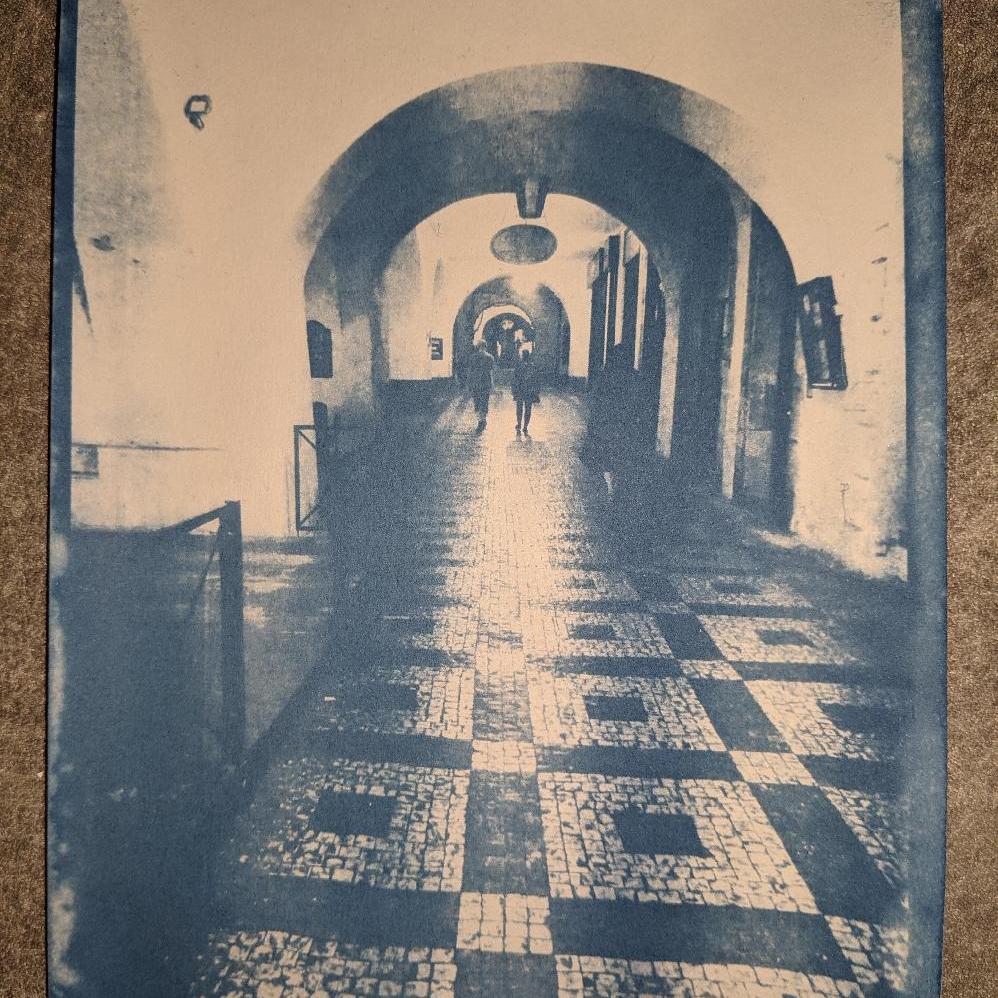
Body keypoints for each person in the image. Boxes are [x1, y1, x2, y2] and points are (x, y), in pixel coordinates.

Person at [464, 339, 496, 433]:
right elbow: (491, 372)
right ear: (485, 346)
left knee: (477, 402)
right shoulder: (490, 357)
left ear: (478, 347)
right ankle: (483, 419)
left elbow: (470, 372)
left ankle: (480, 420)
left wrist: (468, 383)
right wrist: (492, 384)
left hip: (475, 383)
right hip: (486, 383)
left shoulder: (472, 357)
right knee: (485, 402)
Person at [511, 346, 540, 435]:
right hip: (530, 391)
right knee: (528, 409)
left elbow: (514, 379)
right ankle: (525, 426)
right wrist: (536, 392)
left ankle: (519, 424)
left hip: (520, 390)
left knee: (519, 408)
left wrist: (514, 391)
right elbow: (537, 381)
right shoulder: (533, 366)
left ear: (522, 356)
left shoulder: (518, 366)